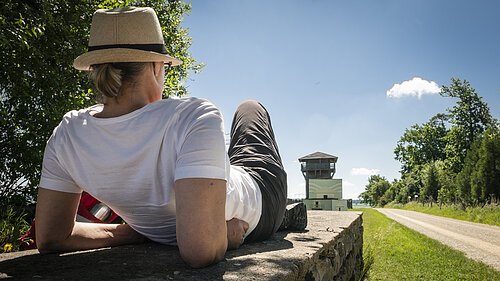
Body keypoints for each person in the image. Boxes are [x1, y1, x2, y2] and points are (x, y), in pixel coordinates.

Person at [35, 7, 305, 268]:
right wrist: (228, 235)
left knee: (229, 163)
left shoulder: (67, 133)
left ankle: (283, 214)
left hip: (226, 184)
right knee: (250, 108)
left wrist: (132, 233)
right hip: (261, 198)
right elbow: (201, 251)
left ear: (95, 70)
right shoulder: (193, 116)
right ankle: (282, 216)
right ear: (155, 66)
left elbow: (51, 237)